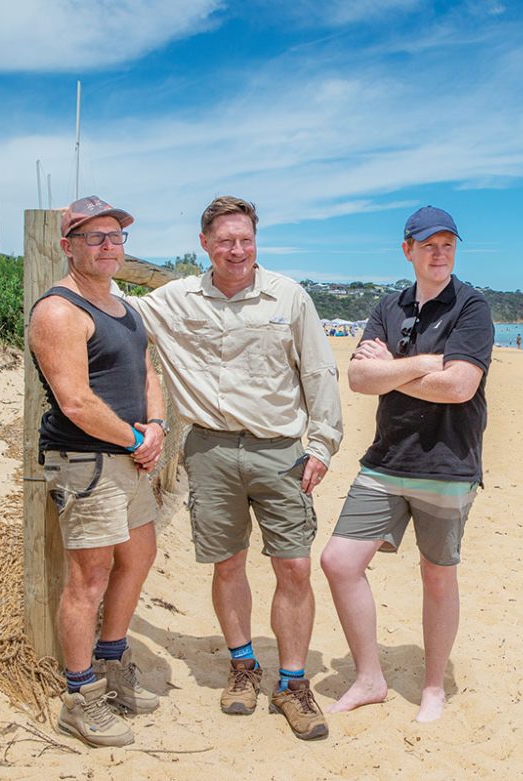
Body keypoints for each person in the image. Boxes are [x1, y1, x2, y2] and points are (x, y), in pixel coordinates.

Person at [129, 196, 342, 741]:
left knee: (294, 566)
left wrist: (321, 445)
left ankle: (293, 684)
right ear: (205, 243)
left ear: (256, 240)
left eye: (245, 239)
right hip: (210, 449)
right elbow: (110, 311)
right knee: (228, 565)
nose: (237, 250)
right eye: (225, 240)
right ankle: (243, 666)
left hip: (280, 452)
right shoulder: (173, 300)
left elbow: (319, 371)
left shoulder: (288, 296)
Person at [321, 206, 494, 723]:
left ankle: (434, 686)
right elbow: (356, 379)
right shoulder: (388, 307)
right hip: (386, 460)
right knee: (338, 561)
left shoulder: (472, 306)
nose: (439, 253)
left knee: (437, 574)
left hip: (447, 462)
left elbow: (461, 386)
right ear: (408, 250)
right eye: (429, 244)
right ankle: (370, 678)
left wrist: (387, 370)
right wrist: (422, 364)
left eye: (448, 244)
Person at [28, 196, 165, 748]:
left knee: (140, 554)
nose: (109, 246)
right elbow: (76, 401)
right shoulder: (58, 310)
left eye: (115, 238)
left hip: (129, 455)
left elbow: (147, 368)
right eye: (95, 238)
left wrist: (155, 425)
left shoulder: (124, 305)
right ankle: (79, 698)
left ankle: (113, 666)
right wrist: (137, 438)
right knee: (89, 577)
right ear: (68, 246)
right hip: (86, 460)